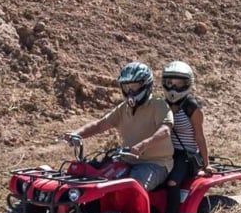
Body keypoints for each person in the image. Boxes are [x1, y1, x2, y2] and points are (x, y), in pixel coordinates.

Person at [64, 62, 174, 194]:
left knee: (132, 186)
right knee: (95, 176)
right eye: (126, 87)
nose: (130, 92)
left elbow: (165, 130)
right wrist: (77, 134)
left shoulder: (158, 105)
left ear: (146, 85)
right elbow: (99, 125)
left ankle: (131, 208)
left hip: (155, 163)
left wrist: (144, 145)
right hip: (126, 160)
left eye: (134, 87)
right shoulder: (123, 109)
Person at [160, 60, 210, 213]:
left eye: (179, 83)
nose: (173, 87)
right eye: (170, 82)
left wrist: (206, 163)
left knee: (173, 182)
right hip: (166, 153)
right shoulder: (161, 104)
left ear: (187, 84)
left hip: (186, 155)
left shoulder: (192, 107)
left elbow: (199, 137)